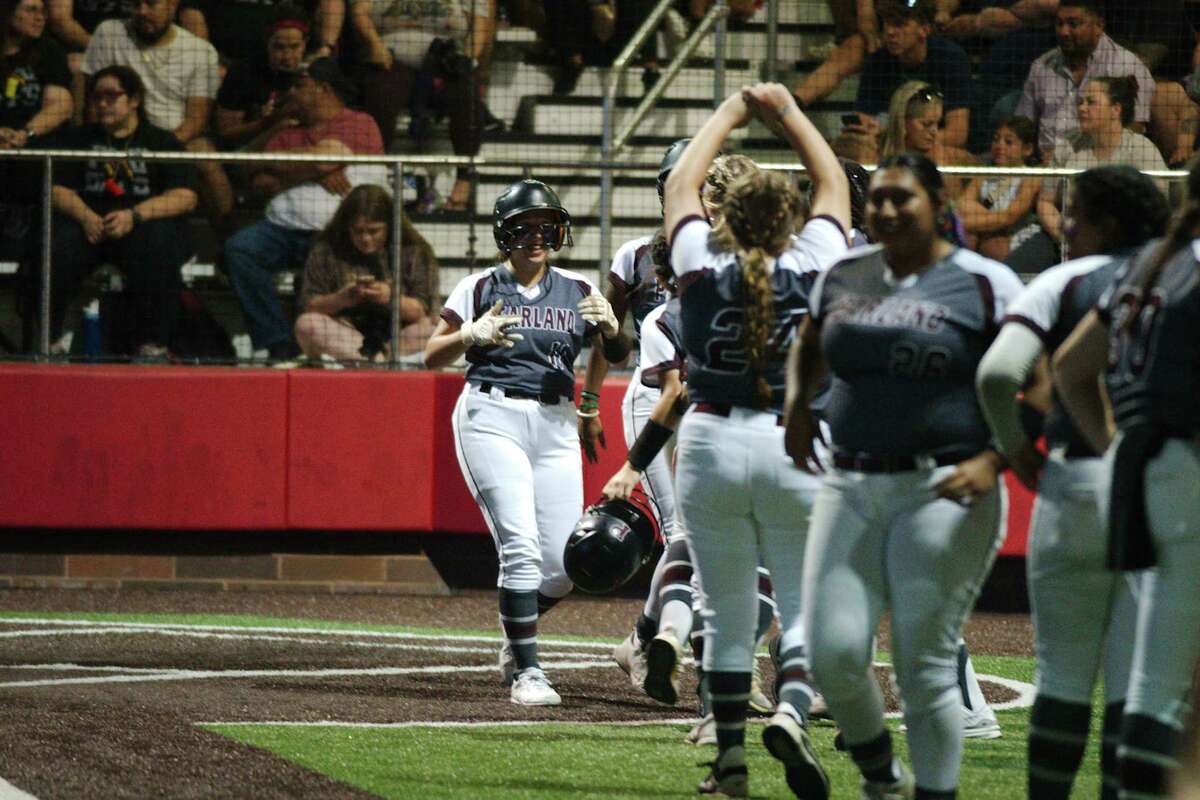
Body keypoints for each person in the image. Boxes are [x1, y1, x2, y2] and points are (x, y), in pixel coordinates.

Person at [785, 151, 1024, 799]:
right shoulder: (842, 272)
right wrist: (796, 408)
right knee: (834, 656)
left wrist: (996, 456)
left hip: (942, 487)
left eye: (903, 198)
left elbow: (1040, 381)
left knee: (923, 665)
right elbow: (809, 341)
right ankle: (883, 780)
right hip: (850, 481)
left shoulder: (985, 282)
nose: (887, 210)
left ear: (938, 201)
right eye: (879, 199)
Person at [663, 82, 850, 798]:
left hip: (709, 440)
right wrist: (789, 112)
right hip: (790, 443)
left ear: (728, 219)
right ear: (790, 221)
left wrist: (733, 111)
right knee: (802, 603)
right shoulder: (816, 259)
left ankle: (731, 762)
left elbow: (683, 182)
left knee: (725, 610)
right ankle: (796, 712)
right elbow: (833, 178)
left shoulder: (698, 266)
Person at [976, 164, 1169, 799]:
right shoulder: (1179, 276)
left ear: (1108, 221)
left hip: (1074, 482)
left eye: (1078, 213)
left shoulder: (1063, 281)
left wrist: (1010, 446)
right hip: (1159, 489)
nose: (1068, 226)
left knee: (1061, 676)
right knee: (1135, 681)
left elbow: (999, 373)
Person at [423, 178, 625, 706]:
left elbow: (614, 349)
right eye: (523, 228)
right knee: (522, 547)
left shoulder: (579, 288)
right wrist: (470, 335)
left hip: (556, 422)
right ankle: (528, 672)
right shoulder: (479, 287)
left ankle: (516, 632)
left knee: (563, 567)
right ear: (504, 234)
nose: (536, 237)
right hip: (492, 414)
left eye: (544, 227)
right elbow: (430, 355)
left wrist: (608, 339)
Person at [1052, 161, 1200, 800]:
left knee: (1158, 674)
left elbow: (1068, 368)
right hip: (1189, 465)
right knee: (1168, 678)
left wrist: (1114, 445)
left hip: (1142, 469)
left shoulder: (1150, 265)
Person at [223, 56, 385, 361]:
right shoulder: (285, 129)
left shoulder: (358, 122)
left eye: (300, 85)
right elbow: (259, 180)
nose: (291, 92)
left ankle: (320, 341)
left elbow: (323, 158)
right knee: (239, 249)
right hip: (281, 229)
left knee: (322, 264)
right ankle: (278, 341)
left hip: (335, 233)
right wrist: (317, 167)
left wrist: (294, 167)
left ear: (323, 88)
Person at [46, 64, 197, 357]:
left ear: (134, 100)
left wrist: (135, 215)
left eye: (111, 96)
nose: (102, 104)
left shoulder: (161, 141)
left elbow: (185, 196)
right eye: (97, 97)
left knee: (160, 242)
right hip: (89, 227)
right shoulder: (79, 138)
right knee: (54, 244)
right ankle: (46, 339)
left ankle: (155, 344)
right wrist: (86, 216)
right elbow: (55, 189)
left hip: (140, 227)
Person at [80, 0, 229, 217]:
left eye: (151, 4)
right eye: (135, 4)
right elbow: (93, 104)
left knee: (205, 156)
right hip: (116, 133)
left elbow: (196, 120)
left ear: (172, 4)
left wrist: (158, 148)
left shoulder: (200, 50)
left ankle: (225, 238)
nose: (141, 11)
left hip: (174, 138)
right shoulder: (109, 33)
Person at [1009, 76, 1167, 274]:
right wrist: (1067, 236)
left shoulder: (1142, 150)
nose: (1082, 108)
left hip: (1125, 245)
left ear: (1115, 110)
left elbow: (1155, 210)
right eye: (1081, 102)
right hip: (1066, 236)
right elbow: (1045, 202)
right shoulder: (1068, 145)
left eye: (1091, 102)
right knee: (1013, 269)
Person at [348, 0, 487, 211]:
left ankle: (464, 181)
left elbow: (479, 23)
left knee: (467, 93)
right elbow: (360, 12)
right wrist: (375, 44)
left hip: (443, 61)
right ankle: (375, 178)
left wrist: (468, 58)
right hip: (391, 60)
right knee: (380, 93)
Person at [294, 184, 437, 362]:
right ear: (347, 227)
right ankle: (375, 361)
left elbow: (423, 311)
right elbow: (309, 306)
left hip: (400, 336)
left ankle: (378, 359)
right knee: (306, 325)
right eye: (358, 231)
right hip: (346, 333)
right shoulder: (327, 249)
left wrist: (390, 297)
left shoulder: (414, 250)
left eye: (373, 231)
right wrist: (341, 299)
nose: (365, 238)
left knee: (438, 328)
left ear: (390, 226)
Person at [1014, 0, 1154, 161]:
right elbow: (1022, 124)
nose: (1064, 32)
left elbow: (1134, 127)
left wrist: (1075, 155)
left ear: (1099, 26)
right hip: (1044, 166)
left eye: (1073, 24)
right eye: (1059, 24)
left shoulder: (1127, 66)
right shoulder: (1041, 67)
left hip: (1102, 163)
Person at [842, 0, 975, 150]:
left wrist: (896, 139)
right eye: (887, 23)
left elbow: (957, 135)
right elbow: (863, 117)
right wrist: (861, 131)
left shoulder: (950, 58)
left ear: (924, 30)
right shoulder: (878, 60)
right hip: (893, 147)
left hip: (938, 148)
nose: (890, 32)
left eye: (899, 24)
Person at [0, 0, 72, 270]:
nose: (40, 18)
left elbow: (61, 105)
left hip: (32, 142)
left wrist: (24, 133)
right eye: (31, 10)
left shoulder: (49, 51)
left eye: (43, 11)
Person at [212, 4, 311, 152]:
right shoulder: (243, 73)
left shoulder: (315, 73)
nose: (288, 56)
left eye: (294, 47)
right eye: (279, 47)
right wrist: (270, 122)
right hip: (252, 151)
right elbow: (226, 134)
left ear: (305, 43)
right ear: (267, 42)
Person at [957, 115, 1041, 261]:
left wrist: (964, 224)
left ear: (1027, 149)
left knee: (994, 246)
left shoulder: (1031, 177)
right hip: (987, 228)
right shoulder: (984, 174)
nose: (999, 146)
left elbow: (1009, 217)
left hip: (1014, 234)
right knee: (970, 237)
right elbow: (963, 204)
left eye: (1008, 142)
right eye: (996, 139)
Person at [878, 81, 976, 191]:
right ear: (902, 122)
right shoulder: (876, 155)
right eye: (926, 124)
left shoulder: (947, 158)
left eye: (937, 123)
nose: (934, 131)